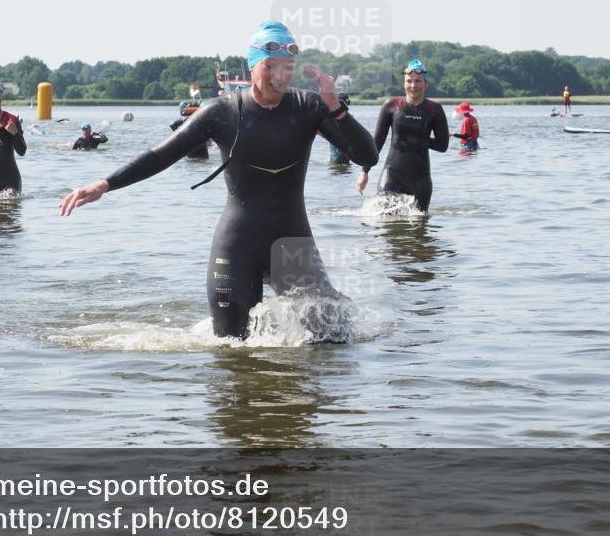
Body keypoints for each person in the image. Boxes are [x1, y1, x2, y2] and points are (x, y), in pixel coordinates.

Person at [59, 21, 378, 339]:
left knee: (333, 336)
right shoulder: (222, 112)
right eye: (270, 66)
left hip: (293, 245)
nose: (279, 75)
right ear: (252, 66)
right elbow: (161, 155)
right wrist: (105, 184)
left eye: (287, 67)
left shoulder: (309, 107)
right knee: (230, 348)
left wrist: (335, 108)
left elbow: (368, 156)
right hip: (237, 245)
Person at [355, 60, 449, 211]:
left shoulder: (434, 110)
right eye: (409, 81)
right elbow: (377, 142)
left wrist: (419, 138)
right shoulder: (391, 105)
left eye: (418, 81)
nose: (413, 85)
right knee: (384, 221)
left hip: (420, 180)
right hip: (392, 175)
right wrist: (364, 172)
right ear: (404, 83)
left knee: (419, 224)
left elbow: (442, 146)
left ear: (426, 84)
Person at [327, 93, 353, 164]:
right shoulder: (350, 118)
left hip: (339, 154)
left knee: (337, 164)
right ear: (348, 103)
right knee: (340, 164)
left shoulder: (330, 117)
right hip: (342, 154)